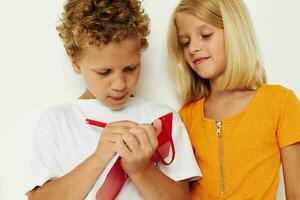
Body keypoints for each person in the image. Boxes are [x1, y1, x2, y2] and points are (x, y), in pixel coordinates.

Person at [25, 0, 201, 199]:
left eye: (130, 68)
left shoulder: (162, 118)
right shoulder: (57, 121)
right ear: (75, 62)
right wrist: (99, 158)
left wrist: (141, 170)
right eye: (104, 72)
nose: (119, 84)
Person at [167, 0, 300, 199]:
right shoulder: (186, 116)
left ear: (234, 32)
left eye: (205, 35)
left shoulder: (279, 103)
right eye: (185, 43)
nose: (193, 48)